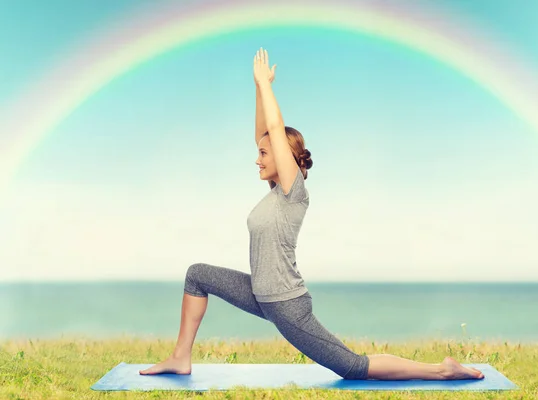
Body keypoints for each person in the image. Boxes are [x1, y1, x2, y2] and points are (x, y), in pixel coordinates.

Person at [140, 47, 484, 381]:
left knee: (352, 367)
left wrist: (264, 86)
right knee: (197, 275)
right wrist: (260, 89)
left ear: (283, 157)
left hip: (287, 305)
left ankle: (441, 370)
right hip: (262, 295)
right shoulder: (276, 193)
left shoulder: (293, 194)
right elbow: (265, 130)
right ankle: (180, 357)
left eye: (264, 153)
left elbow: (275, 131)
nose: (257, 158)